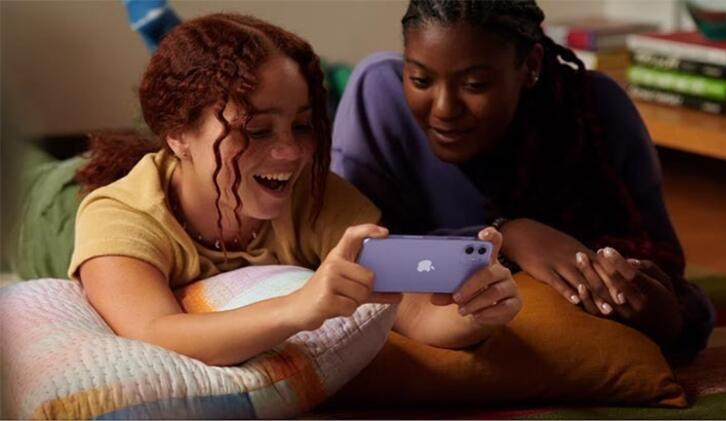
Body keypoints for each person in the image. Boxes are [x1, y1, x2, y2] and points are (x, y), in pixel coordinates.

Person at [68, 13, 520, 367]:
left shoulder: (318, 197)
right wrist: (298, 307)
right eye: (257, 130)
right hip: (64, 202)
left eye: (302, 125)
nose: (290, 152)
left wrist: (477, 311)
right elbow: (152, 333)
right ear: (178, 135)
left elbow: (417, 314)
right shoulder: (119, 215)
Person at [332, 0, 714, 365]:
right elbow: (351, 258)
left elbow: (670, 278)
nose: (444, 108)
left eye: (475, 84)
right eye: (420, 80)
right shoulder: (378, 95)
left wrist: (659, 312)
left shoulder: (593, 111)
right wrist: (507, 239)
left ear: (531, 65)